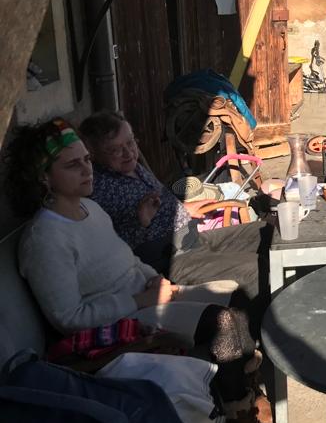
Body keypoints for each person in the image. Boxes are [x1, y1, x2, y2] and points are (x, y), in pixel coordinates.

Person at [4, 119, 295, 423]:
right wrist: (140, 301)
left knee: (235, 301)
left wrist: (152, 278)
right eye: (72, 164)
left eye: (86, 160)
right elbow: (68, 317)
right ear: (43, 178)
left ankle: (243, 393)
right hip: (114, 327)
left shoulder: (89, 210)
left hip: (144, 300)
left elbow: (127, 261)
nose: (86, 169)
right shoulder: (45, 238)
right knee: (224, 323)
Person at [79, 111, 267, 321]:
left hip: (193, 236)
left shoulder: (133, 168)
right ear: (94, 155)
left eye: (130, 142)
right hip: (172, 260)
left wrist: (184, 207)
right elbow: (115, 252)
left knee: (265, 232)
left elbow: (159, 200)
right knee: (258, 269)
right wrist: (141, 221)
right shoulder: (99, 191)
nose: (128, 153)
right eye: (115, 150)